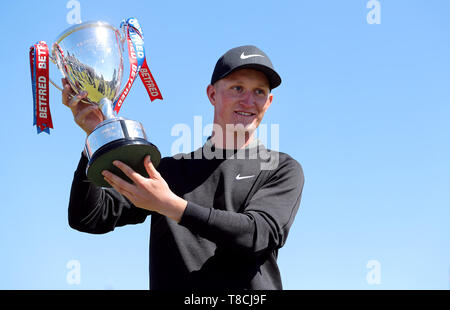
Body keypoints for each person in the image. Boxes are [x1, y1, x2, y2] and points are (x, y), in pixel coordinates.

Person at [63, 45, 305, 290]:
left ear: (269, 101)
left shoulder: (281, 169)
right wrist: (97, 136)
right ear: (212, 94)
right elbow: (88, 217)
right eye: (237, 88)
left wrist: (170, 205)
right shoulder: (166, 172)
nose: (248, 100)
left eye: (259, 92)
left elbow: (257, 234)